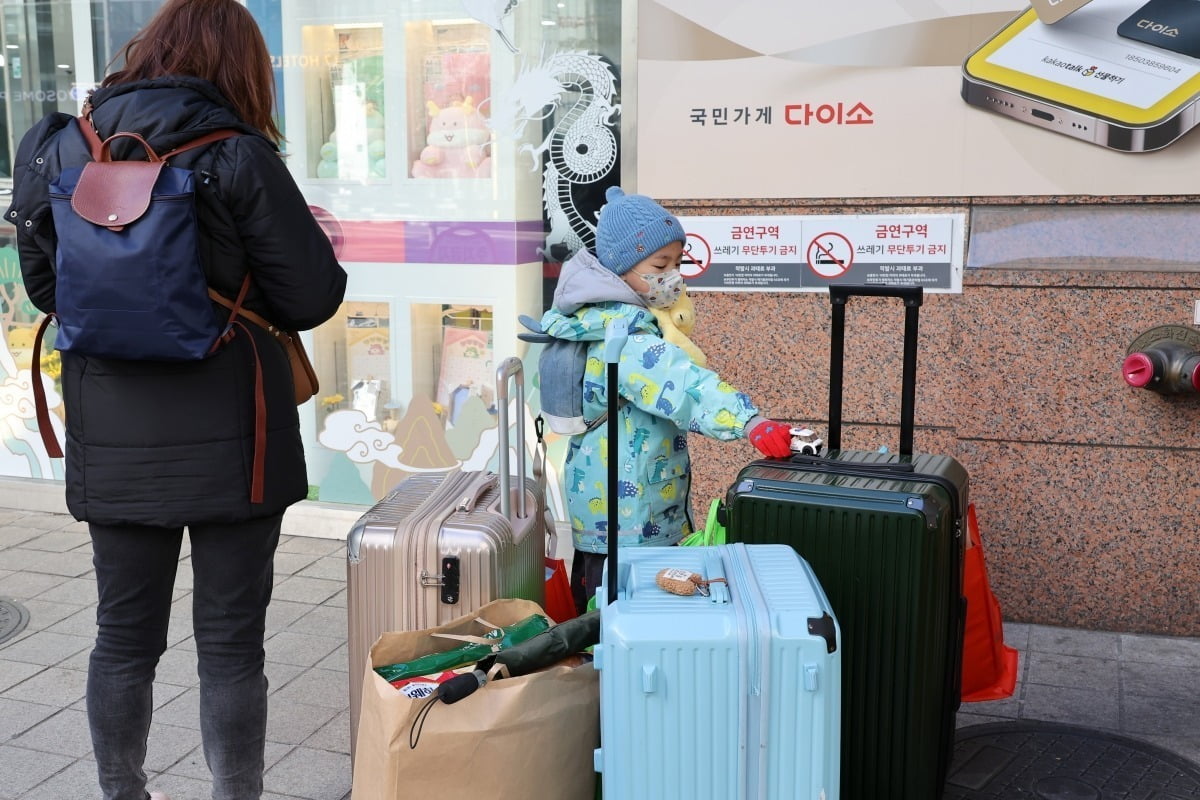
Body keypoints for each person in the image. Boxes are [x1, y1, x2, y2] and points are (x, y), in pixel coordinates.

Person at [6, 1, 347, 798]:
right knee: (231, 644)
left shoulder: (60, 148)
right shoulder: (236, 155)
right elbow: (311, 296)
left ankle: (122, 791)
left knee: (121, 638)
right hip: (239, 430)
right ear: (241, 65)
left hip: (113, 429)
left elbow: (44, 288)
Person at [538, 187, 792, 614]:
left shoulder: (598, 321)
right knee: (626, 629)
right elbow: (684, 385)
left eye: (678, 263)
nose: (673, 275)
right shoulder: (625, 337)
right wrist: (749, 421)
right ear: (619, 271)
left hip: (608, 518)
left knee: (601, 624)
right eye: (660, 265)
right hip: (632, 523)